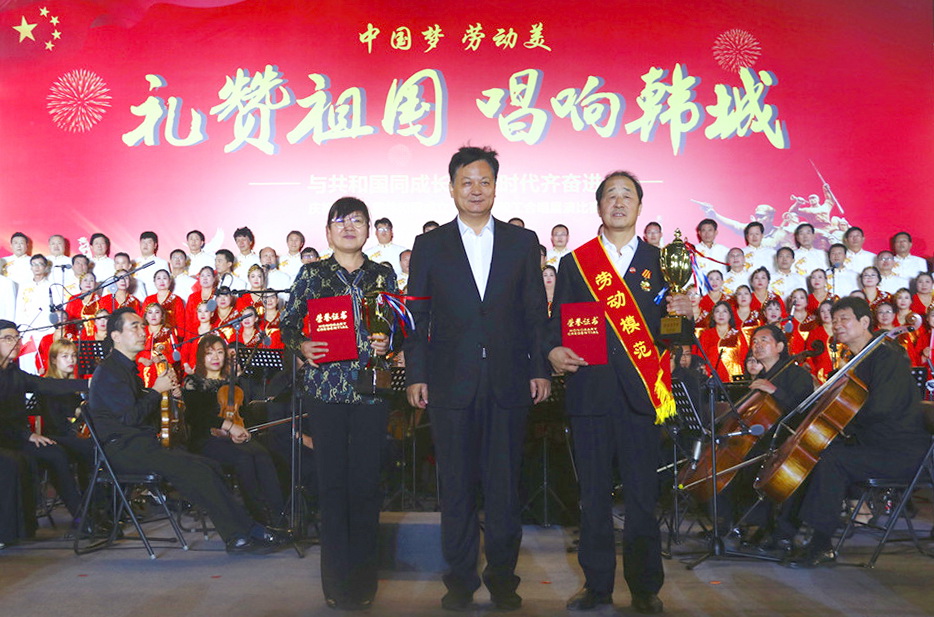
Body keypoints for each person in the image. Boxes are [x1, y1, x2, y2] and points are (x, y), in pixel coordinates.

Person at [404, 146, 550, 612]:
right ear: (451, 188)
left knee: (504, 489)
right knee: (457, 489)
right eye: (466, 182)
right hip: (450, 384)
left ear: (495, 187)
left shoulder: (521, 242)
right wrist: (416, 373)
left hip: (509, 381)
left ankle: (504, 582)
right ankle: (460, 583)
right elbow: (416, 317)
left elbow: (535, 312)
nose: (475, 190)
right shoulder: (430, 245)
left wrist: (539, 367)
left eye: (484, 181)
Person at [545, 170, 692, 615]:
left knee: (643, 497)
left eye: (628, 195)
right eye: (611, 195)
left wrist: (684, 315)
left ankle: (645, 588)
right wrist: (553, 350)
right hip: (589, 393)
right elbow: (558, 323)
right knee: (592, 497)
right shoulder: (576, 263)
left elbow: (674, 335)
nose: (619, 202)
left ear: (640, 206)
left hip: (641, 396)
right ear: (599, 206)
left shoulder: (662, 261)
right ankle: (597, 586)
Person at [87, 307, 285, 554]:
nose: (142, 331)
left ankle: (241, 532)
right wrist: (155, 391)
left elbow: (143, 415)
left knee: (209, 466)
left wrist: (173, 398)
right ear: (116, 336)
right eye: (134, 327)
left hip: (141, 445)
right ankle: (242, 534)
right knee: (196, 470)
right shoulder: (109, 371)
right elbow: (128, 419)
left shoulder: (126, 369)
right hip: (122, 450)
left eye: (142, 326)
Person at [281, 197, 396, 610]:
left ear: (368, 229)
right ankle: (335, 584)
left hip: (370, 394)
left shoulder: (383, 274)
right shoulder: (312, 274)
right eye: (340, 221)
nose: (349, 227)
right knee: (332, 487)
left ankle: (363, 584)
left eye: (357, 220)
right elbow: (288, 323)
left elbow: (401, 324)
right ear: (328, 232)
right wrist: (301, 345)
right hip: (325, 394)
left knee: (365, 487)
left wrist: (389, 339)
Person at [782, 297, 930, 568]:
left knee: (832, 460)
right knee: (811, 454)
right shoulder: (857, 361)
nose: (837, 325)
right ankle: (784, 534)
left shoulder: (887, 357)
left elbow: (881, 408)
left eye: (844, 319)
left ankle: (820, 545)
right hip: (871, 445)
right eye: (834, 320)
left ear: (864, 322)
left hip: (900, 451)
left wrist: (839, 425)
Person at [182, 334, 285, 526]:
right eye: (209, 353)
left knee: (262, 454)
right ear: (201, 357)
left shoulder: (232, 382)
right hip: (206, 439)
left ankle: (279, 514)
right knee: (244, 458)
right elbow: (196, 417)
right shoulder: (193, 382)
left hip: (234, 437)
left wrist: (242, 431)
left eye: (220, 352)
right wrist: (228, 426)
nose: (215, 357)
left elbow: (243, 414)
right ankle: (257, 518)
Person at [0, 320, 88, 527]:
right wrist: (27, 435)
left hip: (18, 437)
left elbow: (46, 384)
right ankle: (81, 518)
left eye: (17, 338)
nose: (15, 342)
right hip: (7, 438)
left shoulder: (14, 372)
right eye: (8, 338)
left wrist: (91, 383)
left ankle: (87, 513)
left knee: (76, 449)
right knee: (54, 453)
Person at [700, 300, 749, 382]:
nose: (721, 314)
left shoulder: (737, 333)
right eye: (717, 311)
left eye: (724, 311)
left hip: (735, 378)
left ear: (730, 315)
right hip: (712, 379)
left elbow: (744, 357)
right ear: (713, 316)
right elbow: (700, 358)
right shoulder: (706, 334)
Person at [144, 269, 186, 338]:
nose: (162, 281)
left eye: (164, 278)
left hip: (170, 337)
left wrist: (179, 338)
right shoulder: (149, 299)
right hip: (151, 336)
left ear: (170, 281)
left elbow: (181, 322)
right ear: (154, 282)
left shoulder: (176, 299)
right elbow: (143, 320)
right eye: (158, 278)